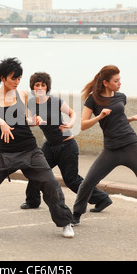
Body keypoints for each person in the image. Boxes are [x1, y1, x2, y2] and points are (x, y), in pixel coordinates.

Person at [0, 58, 75, 238]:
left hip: (30, 150)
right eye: (13, 78)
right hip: (5, 153)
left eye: (19, 78)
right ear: (2, 77)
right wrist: (2, 122)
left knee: (51, 184)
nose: (16, 82)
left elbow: (25, 120)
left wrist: (34, 121)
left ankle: (65, 222)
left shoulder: (21, 94)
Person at [73, 65, 137, 228]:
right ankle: (76, 215)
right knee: (88, 182)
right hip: (111, 150)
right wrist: (99, 116)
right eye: (116, 80)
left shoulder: (121, 97)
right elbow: (83, 125)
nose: (120, 83)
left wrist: (132, 119)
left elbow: (117, 120)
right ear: (106, 83)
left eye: (120, 79)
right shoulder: (93, 99)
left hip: (131, 146)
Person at [20, 72, 112, 213]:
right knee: (36, 170)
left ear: (47, 87)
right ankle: (32, 200)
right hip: (50, 145)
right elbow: (31, 122)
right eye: (36, 85)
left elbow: (73, 113)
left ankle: (101, 198)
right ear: (32, 87)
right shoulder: (32, 103)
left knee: (71, 180)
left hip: (66, 145)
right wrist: (33, 122)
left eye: (42, 85)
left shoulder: (55, 101)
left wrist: (70, 124)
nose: (39, 88)